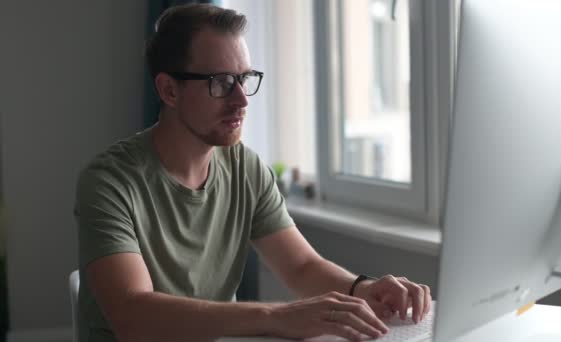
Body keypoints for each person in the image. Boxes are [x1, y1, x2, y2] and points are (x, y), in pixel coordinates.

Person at [74, 3, 432, 342]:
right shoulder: (109, 182)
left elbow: (302, 266)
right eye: (221, 82)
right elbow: (133, 316)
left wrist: (363, 288)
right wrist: (277, 316)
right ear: (169, 89)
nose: (241, 100)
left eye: (245, 78)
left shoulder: (245, 167)